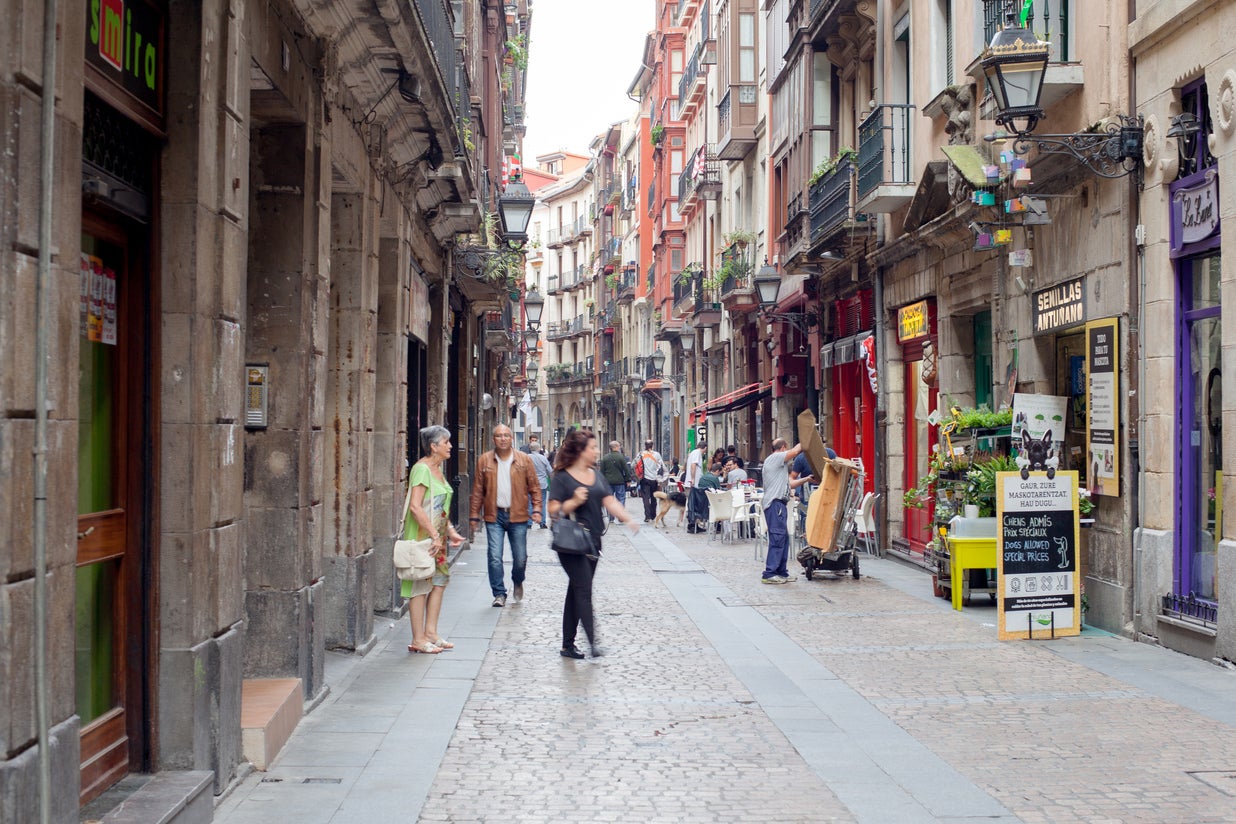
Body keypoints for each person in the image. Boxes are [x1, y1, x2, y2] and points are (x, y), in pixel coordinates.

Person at [548, 429, 638, 659]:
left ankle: (567, 645)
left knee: (575, 590)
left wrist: (627, 518)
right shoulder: (562, 477)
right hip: (571, 543)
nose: (597, 451)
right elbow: (553, 511)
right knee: (584, 590)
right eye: (593, 447)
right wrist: (574, 502)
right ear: (580, 451)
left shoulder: (597, 475)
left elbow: (609, 500)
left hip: (593, 541)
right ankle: (592, 642)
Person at [403, 426, 466, 654]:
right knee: (420, 585)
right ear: (434, 446)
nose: (450, 446)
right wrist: (434, 534)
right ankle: (418, 639)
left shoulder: (438, 469)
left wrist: (449, 532)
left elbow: (439, 507)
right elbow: (416, 507)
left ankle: (430, 632)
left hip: (436, 539)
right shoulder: (422, 470)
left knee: (439, 583)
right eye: (446, 442)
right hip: (423, 538)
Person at [470, 424, 542, 607]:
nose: (502, 439)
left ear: (511, 438)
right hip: (494, 516)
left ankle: (518, 580)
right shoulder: (484, 460)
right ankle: (499, 593)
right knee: (494, 556)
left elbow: (534, 487)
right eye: (499, 436)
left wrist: (537, 510)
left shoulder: (524, 460)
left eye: (506, 435)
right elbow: (478, 490)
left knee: (520, 558)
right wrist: (473, 515)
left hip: (518, 515)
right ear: (493, 439)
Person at [761, 437, 814, 584]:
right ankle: (769, 573)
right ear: (783, 447)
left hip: (779, 504)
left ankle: (782, 572)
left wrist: (806, 479)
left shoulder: (780, 467)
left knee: (783, 539)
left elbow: (789, 484)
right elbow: (796, 451)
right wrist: (809, 436)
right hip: (775, 503)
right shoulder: (775, 458)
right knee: (778, 538)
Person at [790, 440, 834, 533]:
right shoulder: (801, 458)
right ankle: (807, 542)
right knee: (807, 521)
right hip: (807, 496)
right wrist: (805, 479)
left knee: (825, 521)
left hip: (827, 494)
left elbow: (837, 471)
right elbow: (792, 478)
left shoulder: (829, 453)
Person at [599, 440, 633, 523]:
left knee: (609, 499)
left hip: (608, 482)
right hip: (619, 481)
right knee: (621, 498)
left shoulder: (605, 458)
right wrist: (628, 479)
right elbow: (626, 470)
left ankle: (611, 517)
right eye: (618, 446)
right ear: (616, 447)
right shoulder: (621, 457)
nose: (619, 448)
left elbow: (602, 471)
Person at [636, 439, 665, 522]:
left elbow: (635, 465)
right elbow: (661, 466)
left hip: (644, 478)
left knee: (645, 498)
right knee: (653, 497)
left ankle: (647, 516)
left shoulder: (641, 454)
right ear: (652, 445)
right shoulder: (657, 454)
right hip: (654, 479)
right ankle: (653, 515)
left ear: (645, 445)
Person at [528, 441, 553, 528]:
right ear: (538, 449)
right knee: (542, 503)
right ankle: (542, 523)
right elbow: (550, 470)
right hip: (542, 484)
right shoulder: (543, 458)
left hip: (530, 484)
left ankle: (529, 522)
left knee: (530, 502)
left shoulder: (527, 458)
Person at [684, 441, 707, 533]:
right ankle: (692, 525)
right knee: (693, 504)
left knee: (693, 504)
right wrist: (693, 478)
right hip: (694, 483)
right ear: (705, 447)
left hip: (693, 482)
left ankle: (695, 525)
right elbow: (693, 465)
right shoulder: (697, 453)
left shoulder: (693, 453)